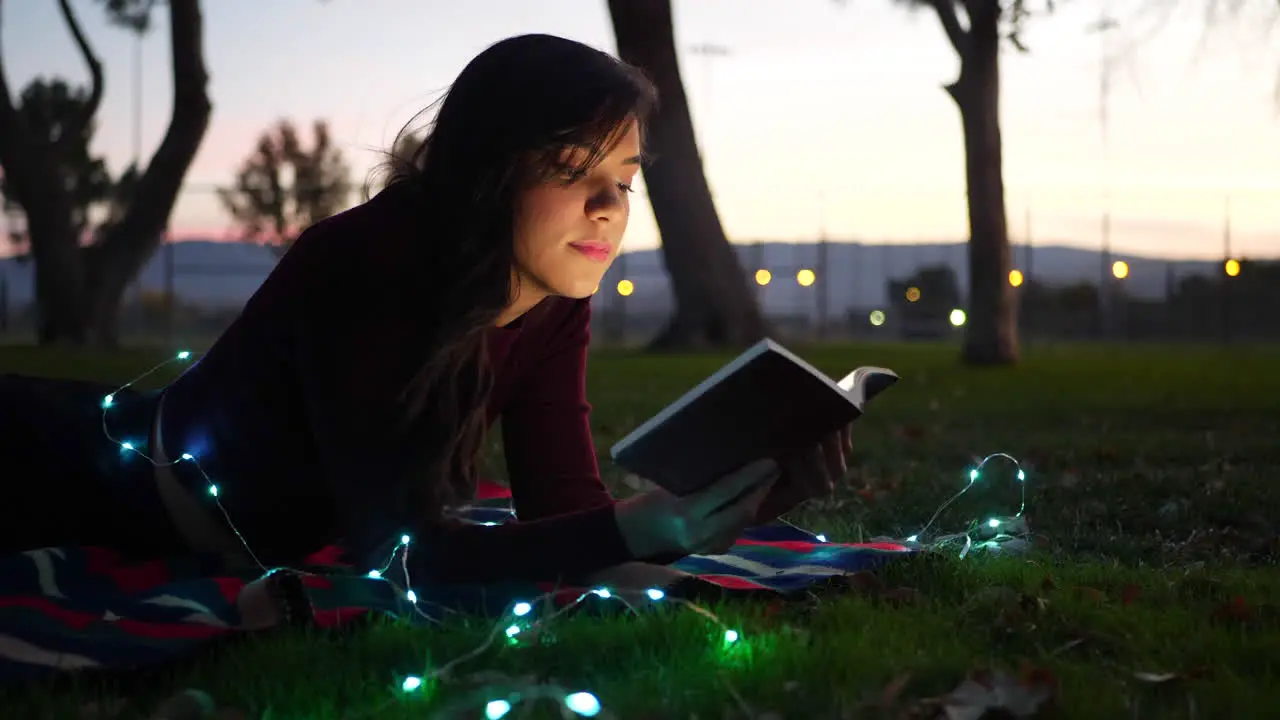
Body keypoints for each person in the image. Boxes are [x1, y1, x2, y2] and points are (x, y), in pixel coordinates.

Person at [0, 34, 853, 592]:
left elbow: (560, 508)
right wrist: (629, 530)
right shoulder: (369, 266)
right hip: (85, 477)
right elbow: (404, 560)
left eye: (624, 180)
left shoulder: (552, 298)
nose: (608, 206)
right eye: (569, 167)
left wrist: (742, 499)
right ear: (488, 170)